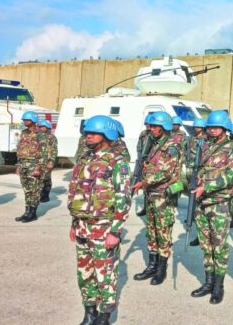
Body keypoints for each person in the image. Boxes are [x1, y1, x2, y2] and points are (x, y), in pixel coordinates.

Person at [67, 115, 132, 325]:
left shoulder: (117, 162)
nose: (88, 136)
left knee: (105, 275)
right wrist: (74, 223)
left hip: (103, 229)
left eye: (94, 133)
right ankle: (89, 313)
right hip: (82, 227)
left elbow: (123, 198)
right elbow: (77, 192)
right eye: (87, 133)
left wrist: (115, 231)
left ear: (107, 135)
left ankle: (104, 316)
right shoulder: (84, 159)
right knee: (84, 273)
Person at [190, 110, 233, 304]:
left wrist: (207, 187)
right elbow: (196, 169)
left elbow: (231, 176)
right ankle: (208, 282)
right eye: (210, 127)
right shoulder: (202, 147)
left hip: (219, 204)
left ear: (225, 128)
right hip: (201, 203)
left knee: (219, 246)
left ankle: (219, 286)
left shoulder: (232, 149)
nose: (212, 130)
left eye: (216, 127)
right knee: (206, 245)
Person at [132, 111, 183, 286]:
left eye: (155, 126)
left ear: (164, 127)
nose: (151, 128)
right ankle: (152, 265)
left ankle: (161, 269)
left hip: (163, 195)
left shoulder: (171, 146)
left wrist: (143, 182)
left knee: (163, 232)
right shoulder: (153, 143)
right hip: (151, 194)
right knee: (151, 231)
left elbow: (165, 172)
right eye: (150, 126)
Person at [15, 111, 47, 223]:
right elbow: (20, 149)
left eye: (27, 120)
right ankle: (27, 212)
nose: (25, 121)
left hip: (34, 165)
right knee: (27, 190)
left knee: (34, 190)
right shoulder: (23, 133)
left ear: (33, 120)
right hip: (23, 165)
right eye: (24, 120)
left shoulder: (41, 134)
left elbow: (44, 152)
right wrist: (18, 165)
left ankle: (33, 213)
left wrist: (39, 167)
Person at [187, 117, 207, 247]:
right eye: (195, 127)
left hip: (203, 174)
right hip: (193, 171)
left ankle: (202, 236)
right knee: (195, 206)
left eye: (199, 127)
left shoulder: (206, 139)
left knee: (202, 208)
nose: (196, 129)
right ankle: (199, 235)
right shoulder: (191, 138)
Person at [136, 114, 152, 217]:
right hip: (143, 162)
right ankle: (146, 208)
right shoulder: (143, 134)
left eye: (149, 124)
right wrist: (140, 159)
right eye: (146, 124)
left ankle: (151, 208)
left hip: (152, 164)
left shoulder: (156, 135)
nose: (148, 126)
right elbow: (139, 147)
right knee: (145, 187)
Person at [37, 120, 57, 203]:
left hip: (47, 161)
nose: (41, 128)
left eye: (43, 127)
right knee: (38, 178)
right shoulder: (37, 136)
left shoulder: (51, 137)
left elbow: (54, 150)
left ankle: (45, 196)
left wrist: (51, 162)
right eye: (40, 126)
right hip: (38, 161)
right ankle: (39, 194)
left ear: (48, 127)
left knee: (46, 179)